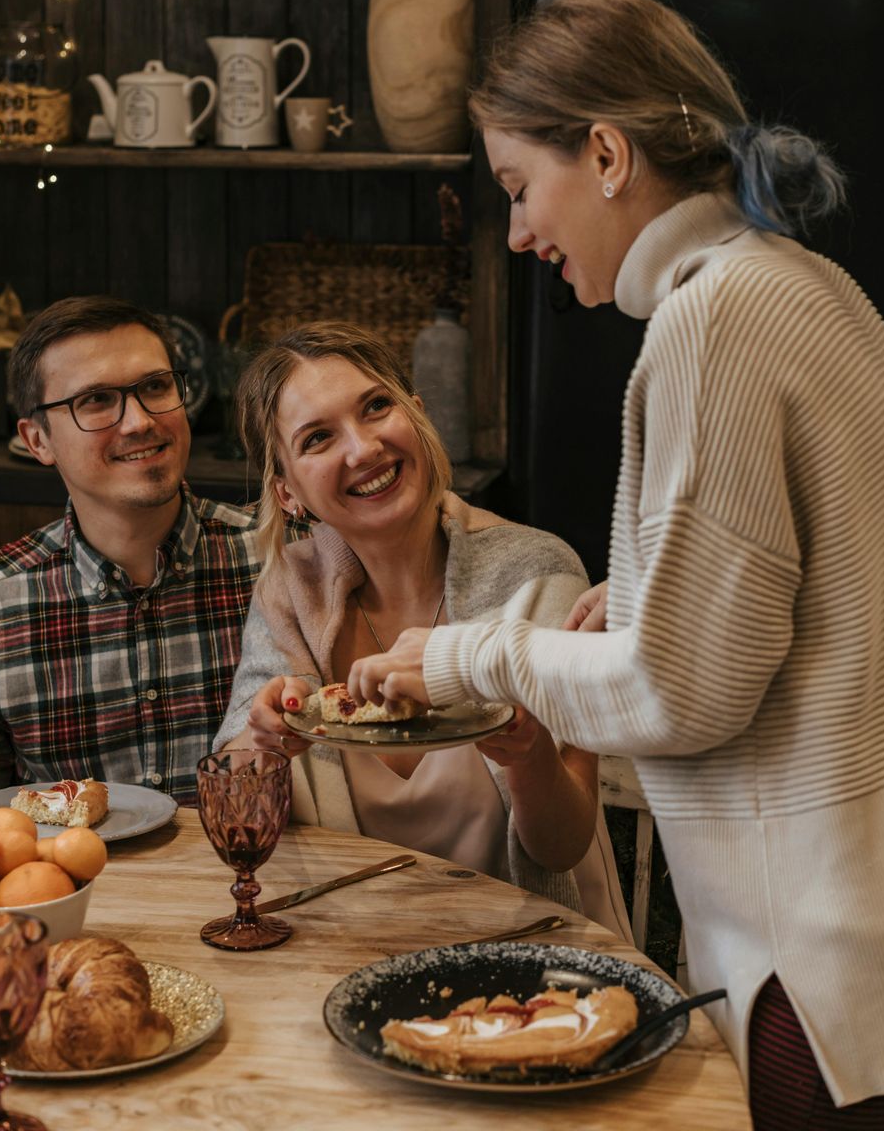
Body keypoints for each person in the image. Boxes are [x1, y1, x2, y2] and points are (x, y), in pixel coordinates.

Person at [346, 0, 884, 1129]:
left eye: (522, 189)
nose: (520, 233)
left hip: (806, 962)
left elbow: (682, 692)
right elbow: (842, 582)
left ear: (609, 154)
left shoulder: (710, 320)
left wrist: (465, 655)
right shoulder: (807, 285)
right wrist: (652, 593)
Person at [213, 320, 631, 933]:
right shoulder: (290, 591)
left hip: (535, 950)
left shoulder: (534, 573)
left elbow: (563, 847)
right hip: (349, 947)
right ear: (288, 491)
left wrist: (530, 751)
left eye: (377, 407)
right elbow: (236, 799)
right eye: (318, 438)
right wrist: (263, 742)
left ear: (417, 413)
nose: (363, 449)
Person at [0, 296, 260, 801]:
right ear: (38, 439)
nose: (139, 421)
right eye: (96, 400)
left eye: (155, 386)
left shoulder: (278, 558)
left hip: (261, 878)